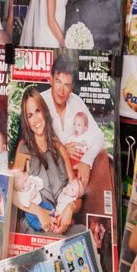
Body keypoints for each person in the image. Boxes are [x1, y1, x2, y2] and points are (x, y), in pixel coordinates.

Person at [12, 86, 78, 235]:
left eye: (38, 111)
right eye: (30, 115)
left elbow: (76, 194)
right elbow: (10, 193)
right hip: (36, 225)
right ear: (26, 121)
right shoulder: (24, 149)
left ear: (44, 111)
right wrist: (38, 211)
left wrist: (70, 208)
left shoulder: (60, 148)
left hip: (60, 225)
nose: (35, 119)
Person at [40, 54, 105, 183]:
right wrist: (62, 150)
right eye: (58, 82)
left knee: (104, 160)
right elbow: (32, 143)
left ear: (71, 88)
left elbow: (99, 135)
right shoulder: (40, 102)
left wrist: (86, 161)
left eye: (66, 85)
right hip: (48, 169)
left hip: (75, 168)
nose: (61, 90)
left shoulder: (76, 102)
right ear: (51, 79)